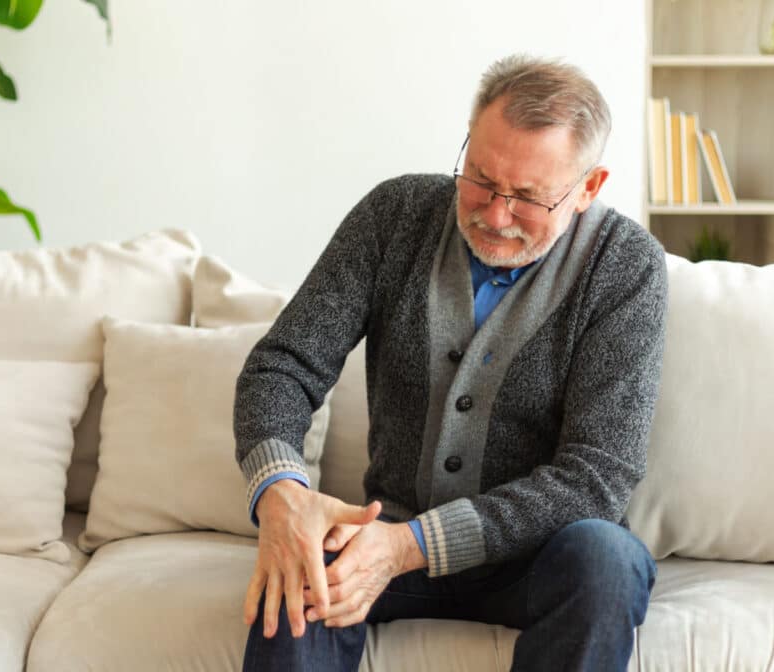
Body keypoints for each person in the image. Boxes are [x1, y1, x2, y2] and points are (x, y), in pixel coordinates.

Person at [233, 54, 668, 672]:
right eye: (482, 179)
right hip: (386, 530)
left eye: (527, 199)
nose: (494, 215)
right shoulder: (394, 217)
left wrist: (413, 546)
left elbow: (596, 477)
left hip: (539, 559)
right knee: (307, 559)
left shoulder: (626, 268)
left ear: (588, 189)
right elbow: (283, 365)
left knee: (606, 558)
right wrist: (282, 495)